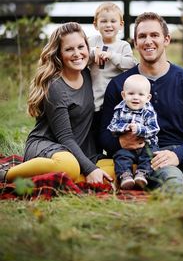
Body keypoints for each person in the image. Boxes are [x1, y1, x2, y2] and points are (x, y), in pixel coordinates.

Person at [99, 12, 183, 197]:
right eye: (142, 36)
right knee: (173, 181)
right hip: (151, 157)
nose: (148, 41)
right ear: (135, 43)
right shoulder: (120, 85)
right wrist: (120, 142)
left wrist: (178, 155)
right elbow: (104, 135)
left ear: (166, 39)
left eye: (154, 35)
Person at [0, 22, 114, 185]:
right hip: (48, 147)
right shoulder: (56, 86)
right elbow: (65, 137)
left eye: (81, 46)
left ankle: (76, 178)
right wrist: (90, 168)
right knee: (69, 166)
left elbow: (113, 55)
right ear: (59, 54)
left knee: (120, 168)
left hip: (81, 151)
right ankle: (6, 175)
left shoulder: (89, 74)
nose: (77, 54)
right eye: (69, 49)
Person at [88, 2, 136, 153]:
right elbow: (83, 56)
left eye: (113, 21)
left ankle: (113, 158)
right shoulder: (92, 42)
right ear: (96, 25)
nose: (108, 25)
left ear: (121, 25)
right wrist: (93, 53)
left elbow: (131, 64)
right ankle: (95, 159)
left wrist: (112, 56)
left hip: (114, 102)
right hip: (94, 99)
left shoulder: (123, 46)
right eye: (103, 21)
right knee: (94, 134)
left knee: (111, 133)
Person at [108, 74, 160, 190]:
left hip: (147, 145)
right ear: (123, 95)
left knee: (150, 156)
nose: (136, 97)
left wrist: (140, 129)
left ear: (148, 97)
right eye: (131, 94)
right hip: (127, 148)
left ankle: (142, 174)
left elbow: (154, 128)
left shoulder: (149, 112)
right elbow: (112, 126)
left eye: (141, 94)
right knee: (120, 156)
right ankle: (125, 176)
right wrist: (124, 127)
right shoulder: (119, 110)